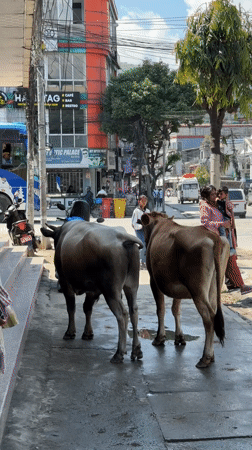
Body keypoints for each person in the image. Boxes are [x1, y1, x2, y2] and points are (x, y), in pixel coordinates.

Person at [199, 185, 252, 295]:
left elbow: (228, 205)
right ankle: (240, 286)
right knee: (230, 259)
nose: (215, 196)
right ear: (206, 196)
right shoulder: (205, 206)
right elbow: (205, 223)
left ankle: (235, 285)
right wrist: (222, 224)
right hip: (215, 240)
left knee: (230, 260)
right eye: (212, 194)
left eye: (215, 194)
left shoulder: (215, 204)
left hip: (223, 237)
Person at [131, 195, 150, 269]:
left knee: (147, 244)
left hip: (146, 231)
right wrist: (141, 226)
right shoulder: (136, 211)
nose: (144, 203)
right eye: (142, 201)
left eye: (145, 201)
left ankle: (144, 261)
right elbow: (133, 224)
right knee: (142, 244)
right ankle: (140, 262)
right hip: (139, 230)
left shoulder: (148, 211)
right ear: (139, 201)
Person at [216, 187, 236, 256]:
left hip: (226, 219)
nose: (219, 195)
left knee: (227, 231)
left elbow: (232, 214)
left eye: (221, 194)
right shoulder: (217, 202)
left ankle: (228, 246)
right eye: (218, 194)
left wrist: (232, 223)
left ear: (226, 195)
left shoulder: (228, 203)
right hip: (220, 219)